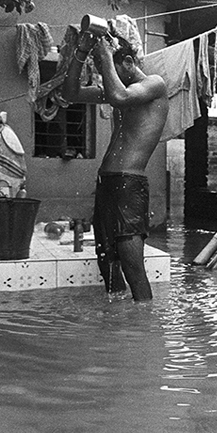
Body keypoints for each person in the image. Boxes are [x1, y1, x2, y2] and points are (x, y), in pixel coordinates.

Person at [62, 29, 168, 301]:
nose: (103, 73)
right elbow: (70, 93)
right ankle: (118, 324)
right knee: (106, 259)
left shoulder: (155, 85)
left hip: (129, 184)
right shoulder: (115, 90)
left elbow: (120, 96)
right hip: (107, 182)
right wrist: (81, 53)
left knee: (132, 267)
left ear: (130, 63)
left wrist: (105, 55)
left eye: (108, 66)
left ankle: (144, 325)